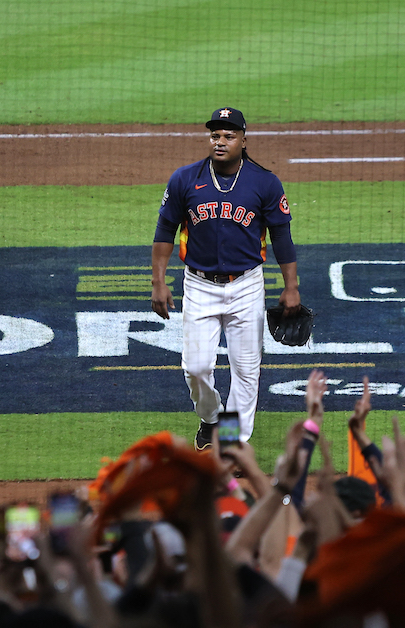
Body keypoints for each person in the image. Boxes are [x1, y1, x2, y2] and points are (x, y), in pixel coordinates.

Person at [151, 106, 301, 449]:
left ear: (243, 141)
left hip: (247, 286)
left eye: (229, 136)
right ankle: (211, 418)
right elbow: (164, 231)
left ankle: (232, 444)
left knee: (246, 372)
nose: (220, 141)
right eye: (215, 135)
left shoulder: (264, 182)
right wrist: (158, 281)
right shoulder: (185, 179)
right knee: (196, 369)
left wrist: (291, 287)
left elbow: (282, 238)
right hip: (199, 285)